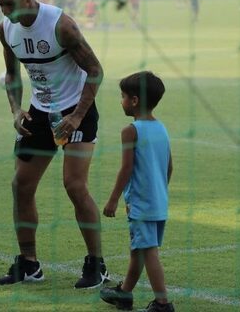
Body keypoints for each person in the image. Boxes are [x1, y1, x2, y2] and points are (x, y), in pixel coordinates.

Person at [0, 0, 109, 289]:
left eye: (9, 4)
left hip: (77, 110)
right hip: (39, 114)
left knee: (74, 185)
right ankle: (29, 264)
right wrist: (16, 110)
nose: (5, 11)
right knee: (21, 185)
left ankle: (96, 264)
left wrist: (76, 117)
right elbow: (12, 75)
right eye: (0, 5)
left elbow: (96, 71)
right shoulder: (6, 29)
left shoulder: (62, 25)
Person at [99, 71, 174, 312]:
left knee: (148, 251)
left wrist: (113, 200)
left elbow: (126, 168)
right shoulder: (161, 128)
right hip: (159, 201)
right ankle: (124, 293)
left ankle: (163, 303)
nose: (120, 101)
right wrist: (158, 193)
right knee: (139, 249)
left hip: (142, 204)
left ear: (134, 101)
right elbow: (169, 166)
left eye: (123, 96)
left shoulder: (131, 131)